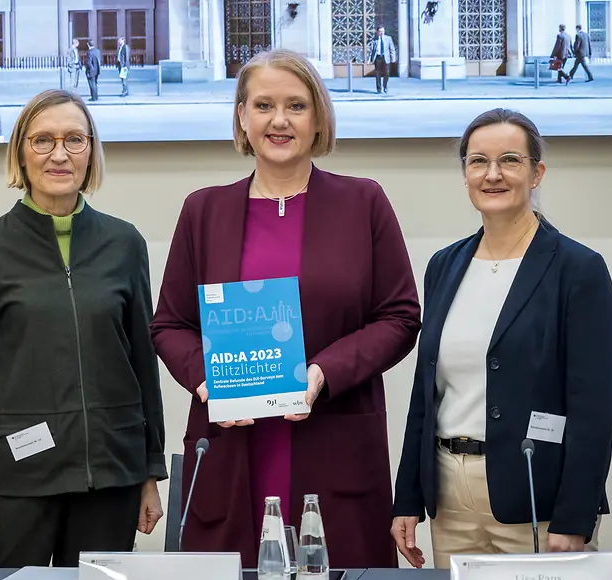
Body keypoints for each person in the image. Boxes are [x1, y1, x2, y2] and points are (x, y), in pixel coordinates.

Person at [150, 48, 422, 569]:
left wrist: (322, 372)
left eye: (296, 106)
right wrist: (210, 380)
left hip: (334, 441)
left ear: (318, 117)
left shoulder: (363, 202)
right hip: (231, 449)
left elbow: (400, 316)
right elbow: (170, 325)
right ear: (242, 116)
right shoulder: (203, 210)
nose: (279, 120)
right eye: (264, 105)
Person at [0, 89, 167, 567]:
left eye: (74, 139)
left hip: (112, 474)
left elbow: (143, 365)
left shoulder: (124, 243)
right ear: (21, 152)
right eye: (43, 140)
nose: (59, 154)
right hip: (18, 478)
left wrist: (150, 469)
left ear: (91, 151)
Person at [391, 108, 612, 569]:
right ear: (465, 174)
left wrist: (574, 518)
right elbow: (425, 392)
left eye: (510, 160)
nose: (492, 174)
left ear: (537, 173)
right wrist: (407, 498)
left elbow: (593, 409)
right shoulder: (444, 265)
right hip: (451, 497)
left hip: (536, 498)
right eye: (478, 161)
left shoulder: (578, 269)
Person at [366, 26, 396, 94]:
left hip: (386, 58)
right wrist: (369, 60)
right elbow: (371, 51)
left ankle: (385, 86)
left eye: (383, 31)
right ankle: (379, 88)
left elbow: (392, 49)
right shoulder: (374, 40)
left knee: (387, 73)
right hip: (378, 57)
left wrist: (393, 58)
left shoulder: (388, 39)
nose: (382, 33)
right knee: (377, 74)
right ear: (377, 32)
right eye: (380, 31)